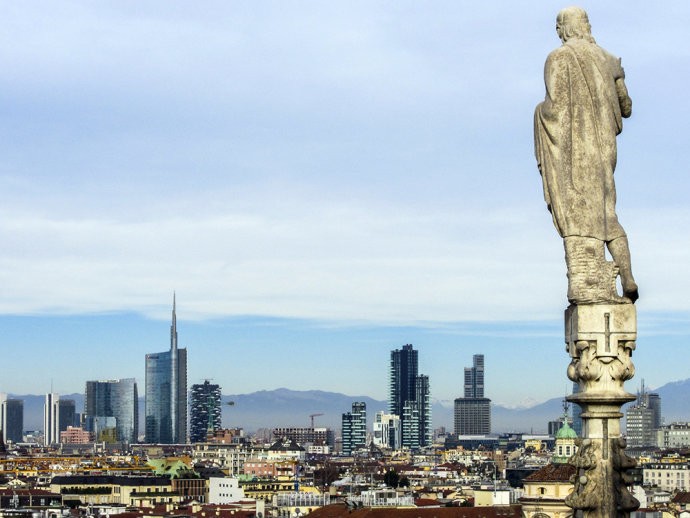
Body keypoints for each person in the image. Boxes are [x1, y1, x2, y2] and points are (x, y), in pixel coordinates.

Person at [535, 6, 638, 303]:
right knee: (607, 213)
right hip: (604, 152)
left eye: (558, 29)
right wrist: (617, 77)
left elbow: (554, 108)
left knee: (577, 216)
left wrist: (537, 113)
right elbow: (627, 108)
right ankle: (627, 276)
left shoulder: (558, 58)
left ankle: (589, 282)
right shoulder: (608, 59)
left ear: (563, 29)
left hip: (574, 155)